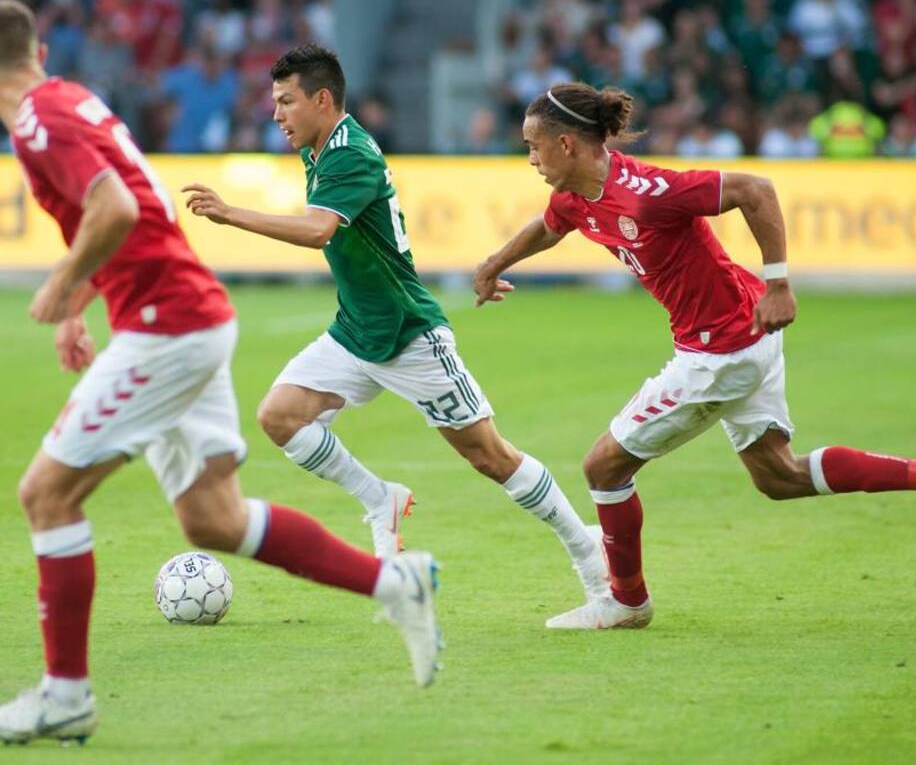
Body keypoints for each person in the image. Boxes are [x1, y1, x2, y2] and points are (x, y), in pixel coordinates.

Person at [0, 0, 442, 746]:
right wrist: (81, 302)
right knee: (212, 519)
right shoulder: (73, 100)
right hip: (194, 316)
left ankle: (65, 695)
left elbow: (115, 209)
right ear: (42, 51)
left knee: (46, 496)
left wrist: (61, 284)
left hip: (165, 329)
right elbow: (139, 211)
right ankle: (396, 584)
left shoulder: (35, 123)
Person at [473, 81, 916, 631]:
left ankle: (626, 601)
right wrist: (495, 263)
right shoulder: (573, 197)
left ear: (567, 144)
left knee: (603, 466)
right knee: (778, 476)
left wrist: (780, 282)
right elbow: (550, 226)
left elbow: (755, 190)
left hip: (721, 350)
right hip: (746, 332)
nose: (531, 158)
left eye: (532, 145)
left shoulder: (647, 191)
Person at [181, 44, 607, 610]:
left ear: (322, 99)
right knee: (279, 416)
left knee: (491, 457)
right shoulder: (318, 150)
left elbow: (317, 232)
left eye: (286, 101)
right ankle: (379, 498)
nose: (276, 114)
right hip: (357, 331)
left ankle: (588, 552)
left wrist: (229, 212)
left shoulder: (350, 153)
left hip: (411, 335)